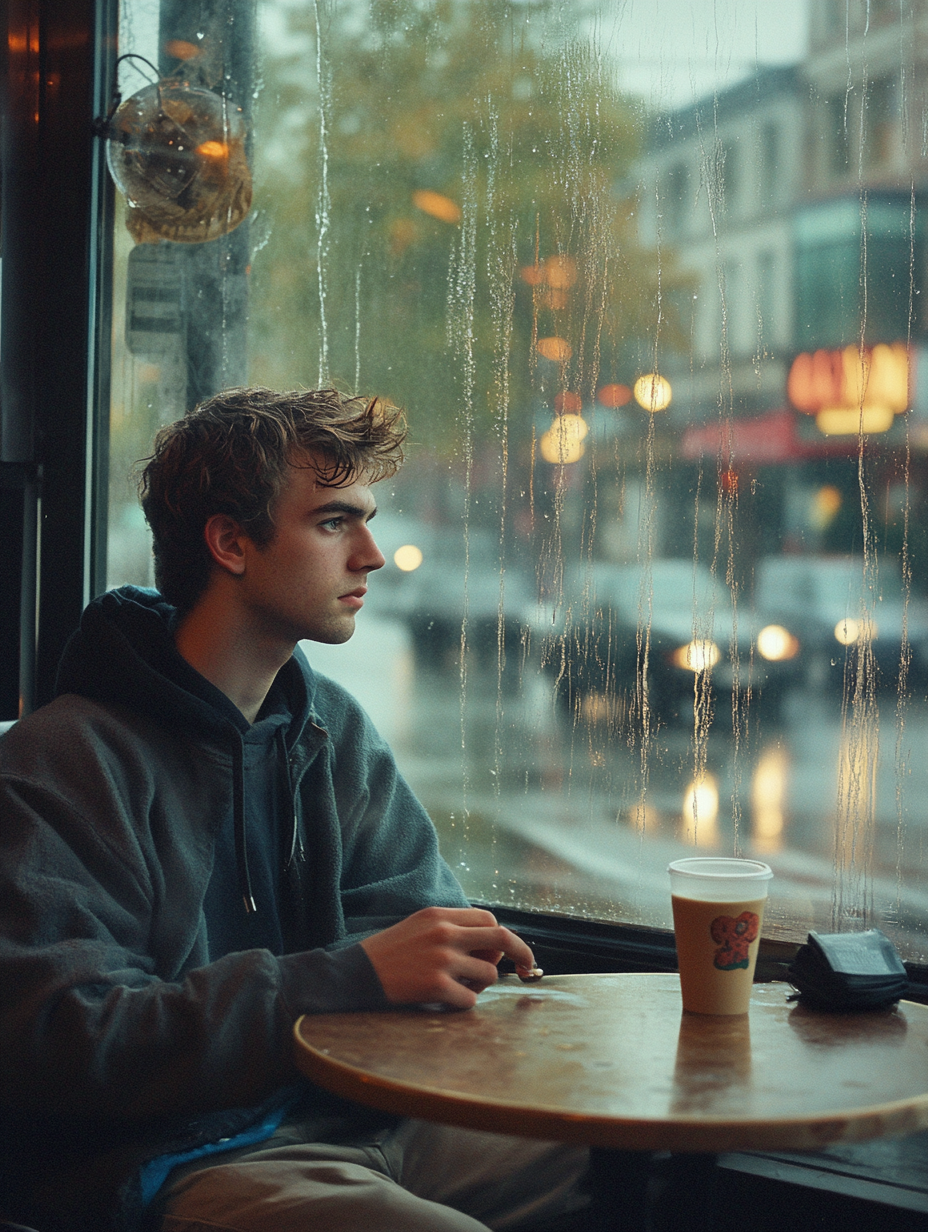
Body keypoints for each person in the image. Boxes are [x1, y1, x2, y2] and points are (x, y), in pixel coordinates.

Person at [0, 388, 589, 1232]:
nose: (373, 555)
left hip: (359, 1117)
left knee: (615, 1148)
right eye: (332, 522)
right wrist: (352, 975)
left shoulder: (327, 729)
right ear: (231, 543)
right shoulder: (63, 762)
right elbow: (64, 1038)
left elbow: (416, 923)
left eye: (367, 520)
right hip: (176, 1158)